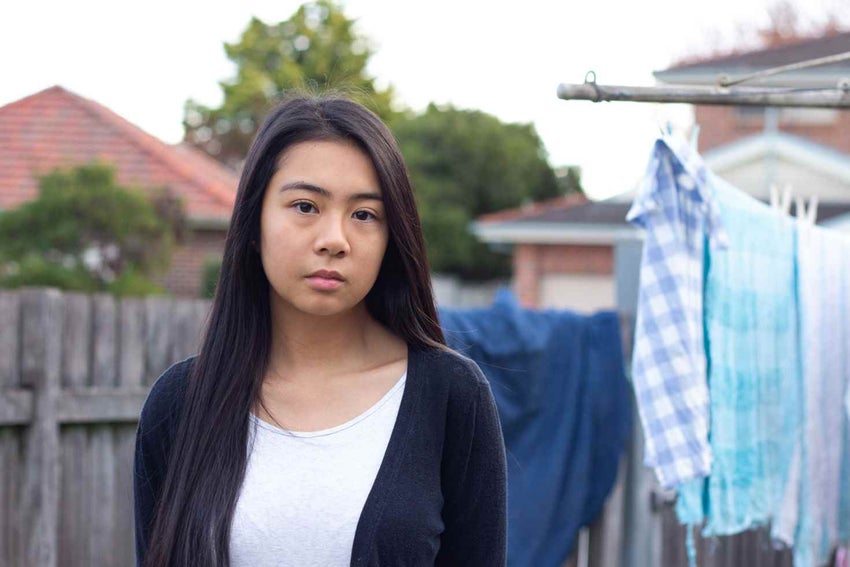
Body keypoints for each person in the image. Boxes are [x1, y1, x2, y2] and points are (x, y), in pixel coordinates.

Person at [133, 94, 507, 567]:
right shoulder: (180, 404)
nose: (335, 239)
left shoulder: (451, 396)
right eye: (306, 206)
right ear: (254, 223)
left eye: (365, 215)